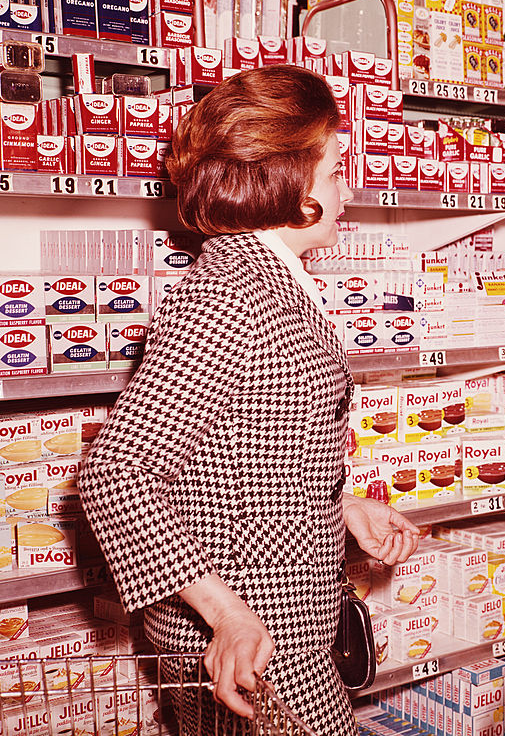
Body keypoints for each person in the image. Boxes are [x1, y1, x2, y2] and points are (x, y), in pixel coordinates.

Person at [79, 64, 419, 735]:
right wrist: (227, 614)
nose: (347, 185)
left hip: (282, 616)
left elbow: (240, 443)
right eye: (335, 167)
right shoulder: (228, 294)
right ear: (288, 180)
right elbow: (116, 478)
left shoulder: (268, 278)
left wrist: (339, 507)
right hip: (255, 638)